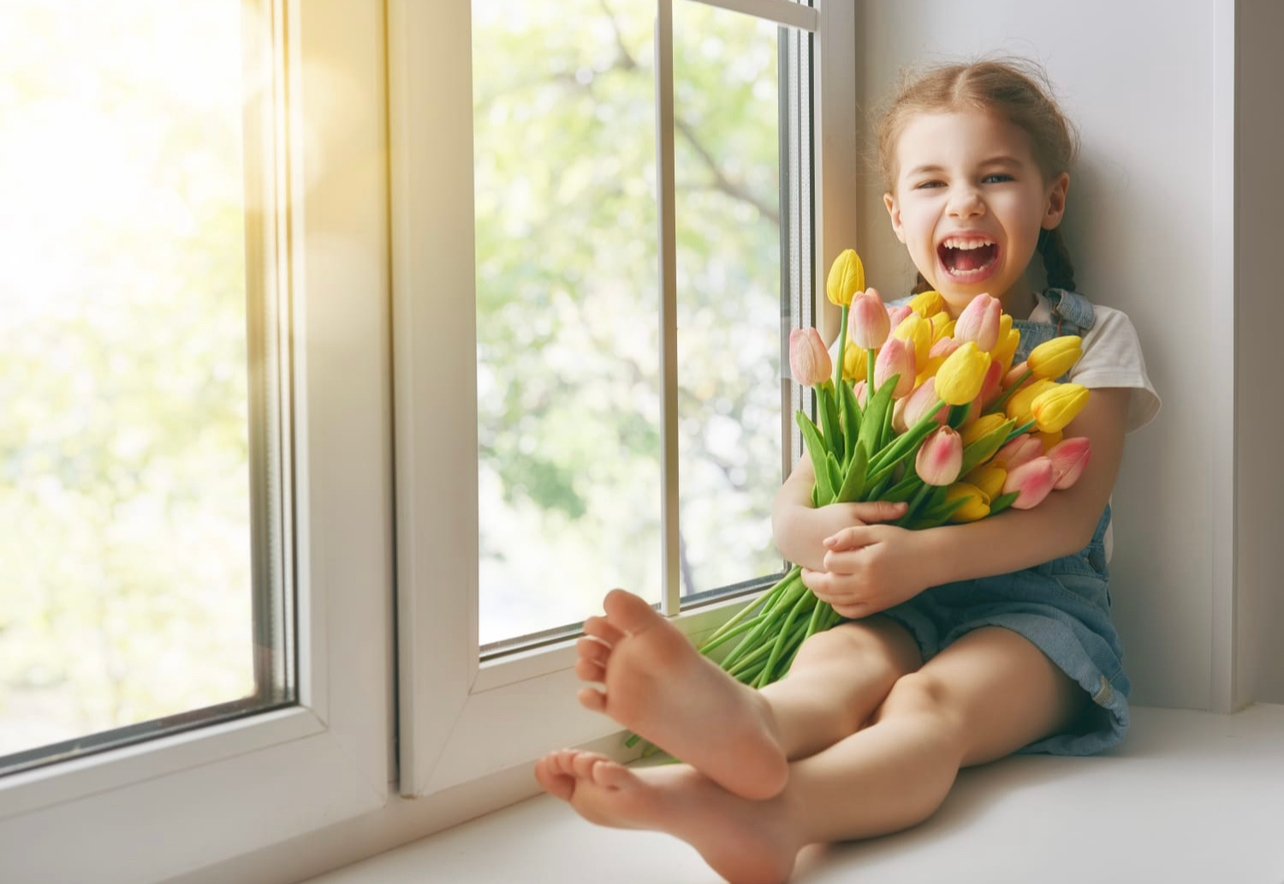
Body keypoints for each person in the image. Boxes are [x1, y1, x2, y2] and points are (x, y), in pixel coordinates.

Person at [533, 58, 1160, 883]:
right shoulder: (882, 334)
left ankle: (781, 814)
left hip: (1040, 619)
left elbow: (1069, 519)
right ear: (899, 218)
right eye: (933, 183)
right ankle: (749, 727)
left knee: (925, 706)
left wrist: (921, 559)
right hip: (893, 599)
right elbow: (800, 494)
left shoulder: (1089, 336)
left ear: (1052, 201)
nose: (964, 202)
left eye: (995, 177)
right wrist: (813, 536)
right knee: (832, 669)